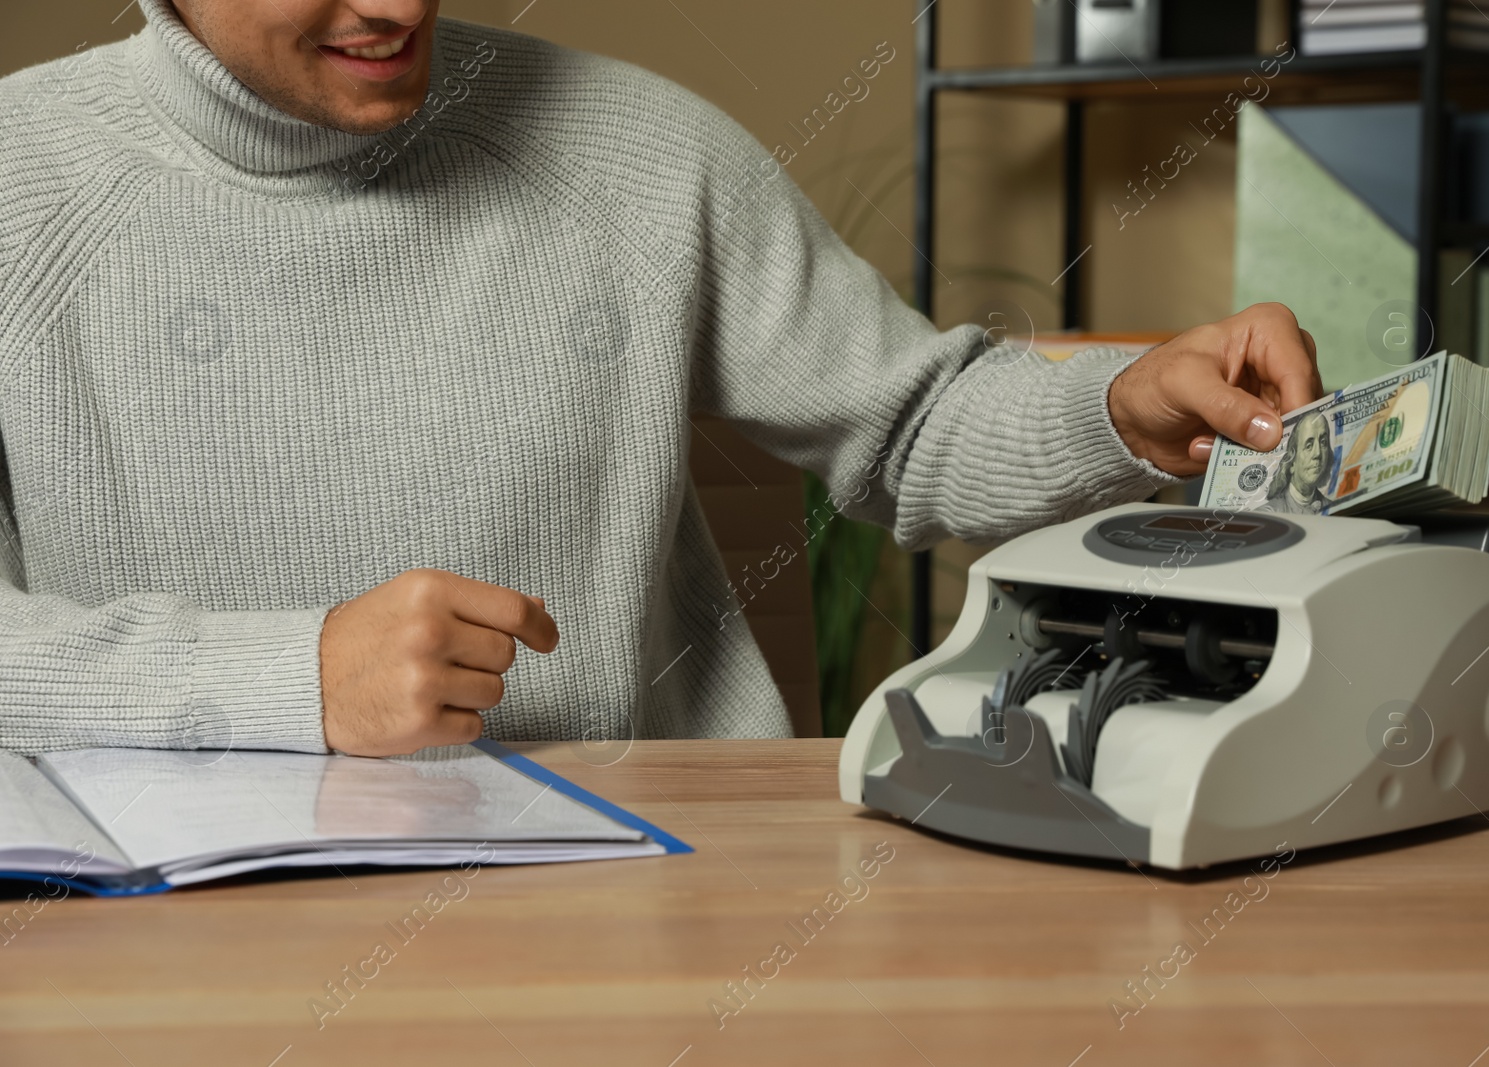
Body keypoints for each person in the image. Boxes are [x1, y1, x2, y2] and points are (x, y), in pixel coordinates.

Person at [0, 0, 1322, 758]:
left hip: (655, 904)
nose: (397, 6)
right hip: (169, 931)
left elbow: (914, 423)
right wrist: (294, 681)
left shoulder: (644, 148)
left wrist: (1120, 412)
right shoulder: (20, 179)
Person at [1261, 414, 1334, 515]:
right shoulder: (1269, 513)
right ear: (1292, 462)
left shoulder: (1333, 507)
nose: (1318, 453)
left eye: (1323, 442)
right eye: (1309, 446)